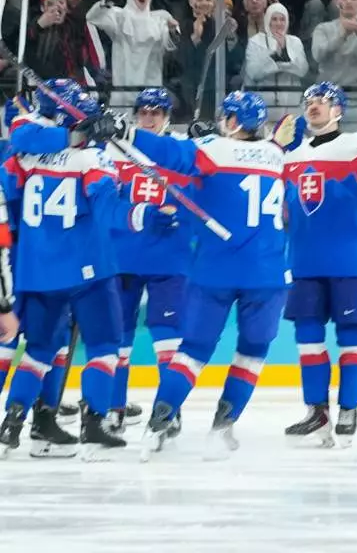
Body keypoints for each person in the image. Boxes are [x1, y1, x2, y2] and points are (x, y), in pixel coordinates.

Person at [99, 90, 290, 460]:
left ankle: (159, 423)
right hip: (267, 273)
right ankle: (222, 428)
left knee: (191, 353)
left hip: (214, 269)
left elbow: (170, 155)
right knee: (251, 354)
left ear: (232, 121)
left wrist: (126, 132)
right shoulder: (277, 155)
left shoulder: (212, 149)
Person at [273, 82, 357, 446]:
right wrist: (273, 148)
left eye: (323, 101)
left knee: (351, 336)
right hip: (304, 259)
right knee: (307, 337)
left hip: (351, 259)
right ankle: (317, 413)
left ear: (339, 110)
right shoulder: (293, 154)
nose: (314, 106)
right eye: (309, 101)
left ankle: (348, 409)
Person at [0, 81, 128, 458]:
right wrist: (141, 211)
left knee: (39, 349)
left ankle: (13, 422)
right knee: (106, 345)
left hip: (37, 268)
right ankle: (94, 423)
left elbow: (12, 177)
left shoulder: (24, 153)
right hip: (87, 267)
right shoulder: (92, 157)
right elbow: (107, 207)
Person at [105, 88, 193, 433]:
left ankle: (168, 408)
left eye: (157, 112)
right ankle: (114, 408)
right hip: (123, 256)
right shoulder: (114, 151)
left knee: (167, 333)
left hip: (170, 257)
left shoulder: (182, 151)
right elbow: (104, 206)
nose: (149, 117)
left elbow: (201, 195)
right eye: (144, 111)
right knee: (119, 334)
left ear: (168, 116)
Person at [86, 0, 180, 104]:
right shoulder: (119, 16)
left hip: (152, 85)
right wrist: (109, 0)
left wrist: (173, 30)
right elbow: (92, 17)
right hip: (124, 87)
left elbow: (171, 44)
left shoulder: (160, 17)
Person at [244, 2, 309, 108]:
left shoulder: (295, 41)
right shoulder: (255, 41)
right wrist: (276, 55)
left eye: (282, 19)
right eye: (274, 19)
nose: (279, 23)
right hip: (263, 104)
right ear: (268, 21)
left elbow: (302, 70)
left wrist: (283, 50)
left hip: (291, 104)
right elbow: (253, 72)